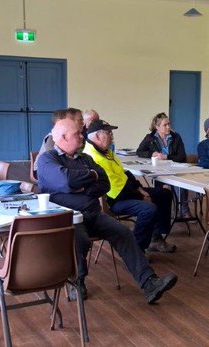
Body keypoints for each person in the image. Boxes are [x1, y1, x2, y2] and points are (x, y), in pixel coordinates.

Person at [36, 119, 178, 303]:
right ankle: (77, 282)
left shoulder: (84, 158)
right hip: (67, 219)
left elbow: (104, 183)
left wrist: (84, 184)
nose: (82, 137)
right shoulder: (48, 159)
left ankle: (149, 283)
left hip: (92, 214)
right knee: (80, 238)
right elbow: (66, 181)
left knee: (124, 233)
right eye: (77, 134)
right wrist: (87, 180)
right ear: (63, 137)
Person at [83, 119, 176, 253]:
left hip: (125, 192)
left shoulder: (105, 151)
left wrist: (139, 188)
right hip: (113, 200)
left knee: (164, 194)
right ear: (97, 136)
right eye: (108, 133)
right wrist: (140, 196)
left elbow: (125, 173)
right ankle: (135, 249)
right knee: (148, 209)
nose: (112, 136)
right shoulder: (93, 156)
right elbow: (116, 190)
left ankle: (155, 238)